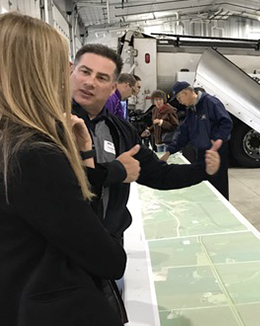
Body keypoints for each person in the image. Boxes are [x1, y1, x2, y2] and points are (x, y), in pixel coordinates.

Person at [0, 12, 126, 325]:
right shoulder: (31, 154)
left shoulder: (13, 143)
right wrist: (91, 161)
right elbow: (107, 258)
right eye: (67, 66)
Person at [71, 44, 221, 241]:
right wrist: (114, 172)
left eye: (101, 77)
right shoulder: (46, 125)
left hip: (109, 243)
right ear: (71, 73)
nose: (90, 82)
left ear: (112, 89)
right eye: (85, 72)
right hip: (62, 252)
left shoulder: (121, 132)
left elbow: (159, 175)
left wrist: (203, 170)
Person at [161, 82, 233, 199]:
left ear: (186, 92)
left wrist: (218, 139)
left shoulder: (210, 102)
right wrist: (169, 151)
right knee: (205, 185)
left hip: (215, 152)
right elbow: (184, 133)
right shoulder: (191, 110)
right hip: (201, 152)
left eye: (179, 98)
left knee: (218, 186)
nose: (179, 101)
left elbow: (226, 122)